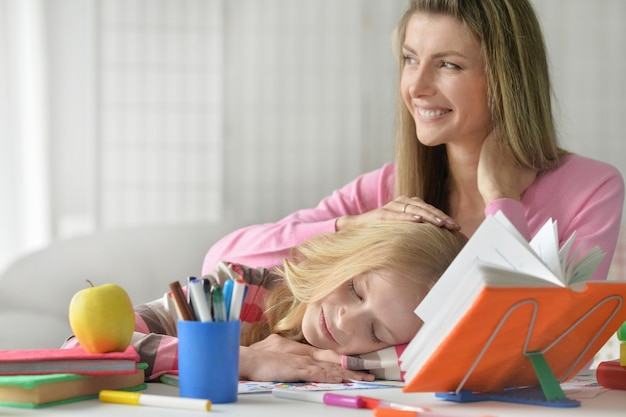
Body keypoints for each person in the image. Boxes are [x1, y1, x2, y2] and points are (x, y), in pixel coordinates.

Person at [202, 0, 624, 282]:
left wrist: (501, 199)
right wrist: (355, 226)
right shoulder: (384, 193)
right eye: (409, 59)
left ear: (505, 80)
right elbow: (222, 263)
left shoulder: (592, 189)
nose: (417, 86)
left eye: (448, 65)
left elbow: (534, 341)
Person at [62, 221, 467, 383]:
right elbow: (84, 349)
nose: (346, 321)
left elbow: (444, 364)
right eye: (356, 290)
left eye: (375, 331)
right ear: (344, 255)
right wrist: (241, 359)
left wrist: (335, 362)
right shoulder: (236, 289)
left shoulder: (354, 357)